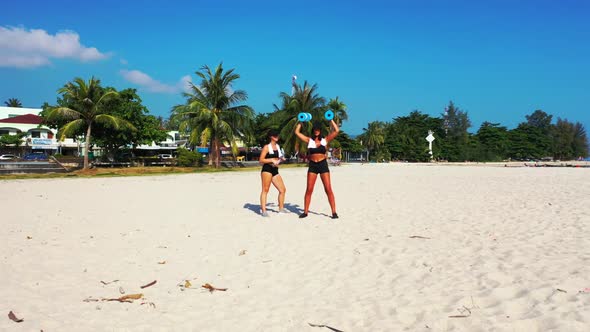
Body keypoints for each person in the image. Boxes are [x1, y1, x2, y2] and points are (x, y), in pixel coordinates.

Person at [294, 119, 340, 219]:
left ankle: (334, 212)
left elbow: (336, 131)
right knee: (309, 189)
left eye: (318, 129)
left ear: (320, 131)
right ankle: (305, 212)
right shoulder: (309, 140)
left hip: (323, 164)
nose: (316, 131)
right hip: (313, 166)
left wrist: (331, 119)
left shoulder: (325, 140)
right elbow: (297, 132)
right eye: (315, 129)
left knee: (328, 189)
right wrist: (300, 122)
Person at [259, 129, 287, 217]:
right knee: (265, 190)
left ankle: (281, 209)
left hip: (275, 170)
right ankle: (264, 211)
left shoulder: (278, 146)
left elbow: (278, 158)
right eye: (275, 135)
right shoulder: (266, 147)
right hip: (267, 169)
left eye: (277, 135)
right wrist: (271, 160)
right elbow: (261, 160)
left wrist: (281, 159)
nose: (277, 137)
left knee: (282, 190)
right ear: (271, 137)